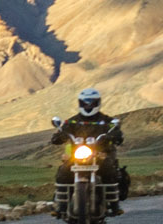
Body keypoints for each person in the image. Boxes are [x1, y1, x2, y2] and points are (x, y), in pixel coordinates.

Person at [49, 87, 129, 216]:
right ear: (80, 103)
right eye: (85, 102)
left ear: (97, 103)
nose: (88, 105)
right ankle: (61, 206)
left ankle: (114, 204)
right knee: (63, 171)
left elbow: (117, 133)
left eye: (91, 102)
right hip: (77, 156)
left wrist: (114, 135)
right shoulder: (72, 121)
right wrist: (59, 136)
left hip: (101, 156)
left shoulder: (106, 121)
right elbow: (59, 134)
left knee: (110, 170)